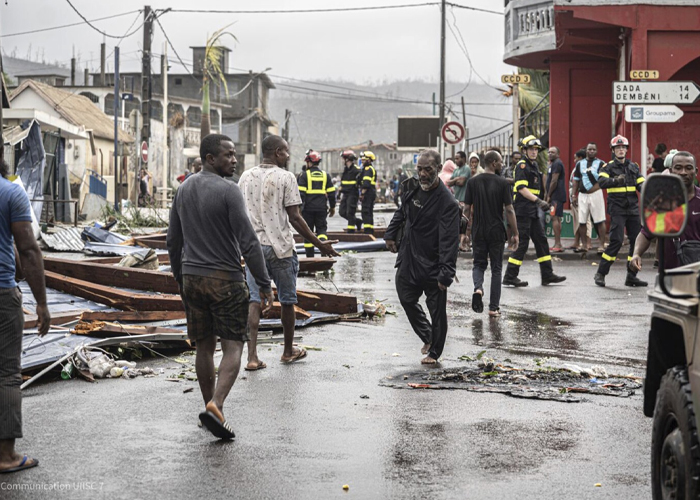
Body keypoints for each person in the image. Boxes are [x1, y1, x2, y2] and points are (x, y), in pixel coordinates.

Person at [167, 134, 273, 440]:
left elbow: (173, 240)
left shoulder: (184, 188)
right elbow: (249, 242)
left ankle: (209, 409)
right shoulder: (229, 191)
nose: (234, 159)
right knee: (233, 345)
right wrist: (264, 283)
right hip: (225, 279)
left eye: (235, 154)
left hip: (192, 278)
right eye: (228, 155)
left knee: (203, 345)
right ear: (210, 158)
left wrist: (179, 275)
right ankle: (216, 404)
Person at [239, 135, 340, 372]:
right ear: (276, 152)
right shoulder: (286, 177)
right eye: (285, 151)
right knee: (287, 300)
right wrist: (320, 244)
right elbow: (295, 218)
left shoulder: (245, 177)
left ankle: (252, 357)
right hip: (281, 248)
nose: (287, 156)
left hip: (254, 249)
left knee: (253, 299)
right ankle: (287, 351)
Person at [385, 150, 460, 364]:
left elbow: (449, 240)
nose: (423, 174)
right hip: (409, 254)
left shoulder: (448, 203)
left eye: (428, 169)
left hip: (433, 260)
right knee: (405, 296)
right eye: (420, 169)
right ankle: (427, 335)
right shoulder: (411, 186)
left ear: (438, 169)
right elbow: (402, 212)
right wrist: (390, 234)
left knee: (436, 309)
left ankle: (434, 352)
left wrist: (446, 273)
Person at [0, 159, 50, 473]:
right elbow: (28, 250)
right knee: (6, 374)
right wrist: (42, 303)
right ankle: (5, 456)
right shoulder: (11, 192)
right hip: (2, 295)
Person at [502, 136, 566, 287]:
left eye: (536, 150)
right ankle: (510, 276)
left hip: (532, 210)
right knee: (523, 243)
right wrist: (538, 201)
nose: (534, 152)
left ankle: (547, 274)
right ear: (524, 150)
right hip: (523, 210)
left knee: (541, 241)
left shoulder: (534, 166)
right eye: (531, 149)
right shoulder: (522, 166)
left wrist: (539, 201)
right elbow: (521, 188)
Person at [463, 151, 519, 317]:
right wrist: (515, 233)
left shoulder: (472, 182)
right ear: (494, 163)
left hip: (478, 230)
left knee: (479, 264)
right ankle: (493, 308)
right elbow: (509, 209)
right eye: (501, 162)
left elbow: (466, 209)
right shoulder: (502, 183)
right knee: (496, 268)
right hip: (496, 231)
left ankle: (478, 288)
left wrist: (464, 232)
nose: (502, 164)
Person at [631, 151, 699, 272]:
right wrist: (636, 254)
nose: (683, 172)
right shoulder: (661, 201)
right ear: (671, 171)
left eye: (688, 168)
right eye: (678, 168)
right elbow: (646, 233)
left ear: (696, 172)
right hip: (668, 274)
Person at [594, 135, 647, 287]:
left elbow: (641, 183)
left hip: (633, 209)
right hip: (617, 209)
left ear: (626, 149)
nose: (621, 150)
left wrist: (649, 190)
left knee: (637, 242)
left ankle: (631, 276)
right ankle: (601, 273)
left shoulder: (633, 167)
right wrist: (615, 180)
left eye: (623, 147)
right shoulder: (608, 167)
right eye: (618, 148)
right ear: (613, 150)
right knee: (616, 241)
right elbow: (601, 182)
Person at [298, 150, 336, 258]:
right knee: (322, 230)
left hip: (308, 209)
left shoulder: (304, 176)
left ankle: (310, 257)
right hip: (321, 209)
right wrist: (332, 207)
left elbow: (301, 194)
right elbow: (332, 193)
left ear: (308, 162)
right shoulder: (325, 175)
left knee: (308, 233)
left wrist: (299, 209)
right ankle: (324, 253)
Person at [571, 143, 608, 253]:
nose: (591, 151)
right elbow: (576, 180)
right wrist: (574, 195)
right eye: (589, 149)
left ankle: (601, 245)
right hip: (582, 195)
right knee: (582, 221)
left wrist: (595, 187)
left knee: (599, 220)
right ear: (586, 151)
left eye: (593, 149)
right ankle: (584, 245)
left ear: (596, 151)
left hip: (596, 194)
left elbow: (604, 180)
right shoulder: (579, 164)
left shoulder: (601, 163)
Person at [447, 151, 471, 251]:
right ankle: (459, 244)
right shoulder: (456, 170)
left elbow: (461, 183)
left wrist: (456, 181)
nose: (456, 160)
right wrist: (456, 178)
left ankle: (465, 244)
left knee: (467, 223)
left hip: (465, 200)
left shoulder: (466, 168)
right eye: (455, 158)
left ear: (464, 159)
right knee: (458, 224)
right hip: (457, 200)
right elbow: (448, 182)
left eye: (458, 158)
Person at [545, 146, 567, 252]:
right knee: (556, 218)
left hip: (556, 196)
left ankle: (558, 244)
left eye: (553, 152)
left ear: (558, 154)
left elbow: (554, 181)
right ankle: (557, 243)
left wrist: (548, 195)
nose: (550, 154)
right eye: (549, 152)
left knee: (554, 218)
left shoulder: (557, 163)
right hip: (555, 196)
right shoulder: (552, 164)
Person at [338, 150, 363, 233]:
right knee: (342, 212)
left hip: (353, 194)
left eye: (343, 159)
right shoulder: (346, 170)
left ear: (348, 159)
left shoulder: (357, 170)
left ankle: (351, 230)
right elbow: (343, 183)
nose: (342, 160)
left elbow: (360, 183)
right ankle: (357, 221)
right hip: (345, 194)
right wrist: (339, 194)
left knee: (350, 212)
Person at [568, 149, 587, 251]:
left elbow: (579, 183)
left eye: (576, 158)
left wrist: (576, 195)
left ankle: (585, 242)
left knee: (582, 220)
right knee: (576, 220)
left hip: (579, 196)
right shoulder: (578, 168)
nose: (574, 160)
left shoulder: (581, 168)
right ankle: (576, 241)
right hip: (575, 196)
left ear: (580, 158)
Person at [359, 151, 377, 234]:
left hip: (368, 193)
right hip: (371, 192)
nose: (362, 161)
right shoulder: (370, 169)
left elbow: (366, 183)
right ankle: (370, 229)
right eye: (362, 159)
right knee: (369, 211)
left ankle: (367, 231)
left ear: (369, 160)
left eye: (364, 160)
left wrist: (362, 194)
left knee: (365, 211)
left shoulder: (368, 169)